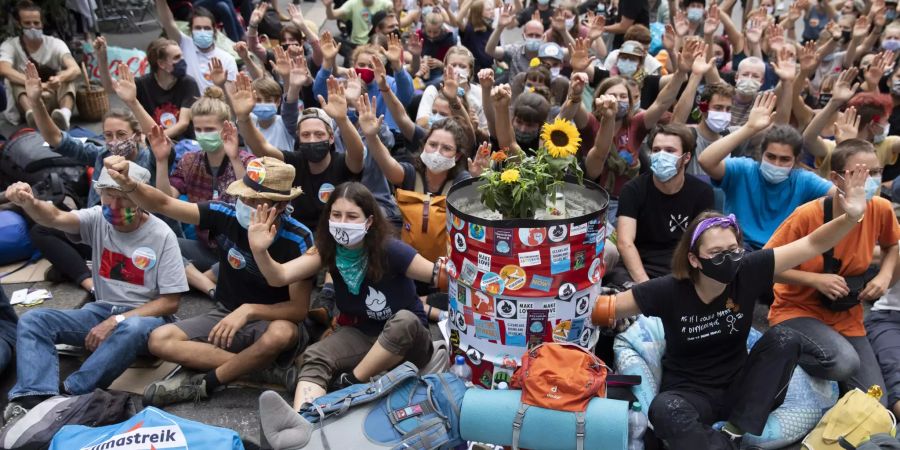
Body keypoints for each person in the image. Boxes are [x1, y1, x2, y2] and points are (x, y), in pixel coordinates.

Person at [591, 164, 871, 449]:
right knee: (663, 409)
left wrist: (851, 216)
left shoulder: (747, 270)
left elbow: (811, 243)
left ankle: (734, 432)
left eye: (733, 251)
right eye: (715, 253)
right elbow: (606, 309)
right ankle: (725, 443)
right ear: (694, 259)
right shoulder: (666, 290)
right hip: (690, 393)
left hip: (744, 389)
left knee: (785, 338)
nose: (728, 259)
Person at [102, 155, 314, 407]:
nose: (245, 204)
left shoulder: (298, 238)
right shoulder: (224, 214)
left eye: (256, 201)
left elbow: (298, 310)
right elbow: (164, 203)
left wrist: (249, 311)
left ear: (279, 206)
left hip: (270, 322)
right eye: (243, 197)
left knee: (281, 333)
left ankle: (205, 383)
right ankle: (260, 370)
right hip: (224, 314)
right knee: (159, 339)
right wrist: (129, 184)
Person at [3, 163, 187, 423]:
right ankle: (34, 397)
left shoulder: (161, 235)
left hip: (145, 321)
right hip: (101, 311)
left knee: (132, 328)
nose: (113, 205)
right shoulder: (97, 218)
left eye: (123, 197)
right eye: (107, 196)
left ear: (139, 197)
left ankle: (69, 396)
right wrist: (29, 202)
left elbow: (170, 302)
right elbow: (54, 218)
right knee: (34, 320)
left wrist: (117, 321)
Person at [246, 182, 435, 410]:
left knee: (403, 320)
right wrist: (259, 251)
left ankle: (349, 384)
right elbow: (279, 276)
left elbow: (439, 276)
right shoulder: (329, 250)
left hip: (409, 343)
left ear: (369, 221)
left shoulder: (391, 250)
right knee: (315, 356)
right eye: (336, 215)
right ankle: (306, 425)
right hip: (363, 335)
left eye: (352, 216)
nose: (343, 223)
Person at [767, 139, 900, 407]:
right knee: (843, 362)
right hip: (797, 310)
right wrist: (815, 279)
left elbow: (893, 244)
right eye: (858, 173)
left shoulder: (881, 208)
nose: (868, 180)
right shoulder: (807, 215)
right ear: (836, 178)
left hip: (846, 316)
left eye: (874, 172)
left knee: (876, 403)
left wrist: (884, 276)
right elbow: (763, 266)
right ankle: (787, 358)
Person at [22, 61, 155, 294]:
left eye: (121, 134)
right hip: (97, 231)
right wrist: (36, 102)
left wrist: (132, 102)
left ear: (136, 134)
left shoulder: (149, 158)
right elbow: (56, 139)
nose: (114, 141)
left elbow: (159, 140)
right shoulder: (101, 153)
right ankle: (89, 281)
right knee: (41, 229)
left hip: (133, 237)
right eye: (108, 135)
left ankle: (74, 268)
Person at [698, 92, 835, 250]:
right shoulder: (744, 169)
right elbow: (705, 160)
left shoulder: (803, 179)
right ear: (761, 154)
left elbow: (841, 198)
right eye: (771, 156)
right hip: (739, 248)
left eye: (784, 159)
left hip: (782, 253)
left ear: (796, 161)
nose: (776, 163)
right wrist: (749, 128)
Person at [234, 73, 365, 232]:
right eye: (305, 135)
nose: (311, 139)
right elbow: (262, 148)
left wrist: (342, 119)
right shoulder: (294, 162)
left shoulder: (343, 162)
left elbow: (357, 154)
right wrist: (243, 117)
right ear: (299, 139)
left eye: (319, 134)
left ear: (331, 138)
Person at [607, 123, 714, 287]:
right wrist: (647, 287)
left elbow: (704, 242)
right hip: (639, 266)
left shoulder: (702, 192)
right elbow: (624, 242)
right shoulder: (633, 189)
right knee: (617, 283)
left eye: (670, 151)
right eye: (656, 150)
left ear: (686, 157)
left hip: (681, 269)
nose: (661, 155)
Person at [95, 36, 199, 140]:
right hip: (152, 143)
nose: (183, 60)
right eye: (177, 57)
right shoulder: (143, 84)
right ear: (161, 64)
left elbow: (183, 124)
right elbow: (109, 88)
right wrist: (102, 58)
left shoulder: (188, 83)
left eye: (182, 56)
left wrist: (156, 139)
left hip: (183, 144)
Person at [0, 0, 81, 130]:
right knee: (14, 81)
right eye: (27, 23)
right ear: (19, 24)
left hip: (53, 95)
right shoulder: (10, 45)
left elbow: (75, 69)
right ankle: (32, 115)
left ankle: (64, 116)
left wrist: (59, 78)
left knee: (67, 77)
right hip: (28, 98)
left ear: (42, 23)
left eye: (36, 23)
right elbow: (4, 69)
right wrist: (36, 84)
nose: (33, 27)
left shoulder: (55, 43)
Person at [155, 0, 238, 94]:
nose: (202, 32)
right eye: (198, 28)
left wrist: (221, 85)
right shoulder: (184, 44)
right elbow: (168, 22)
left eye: (207, 28)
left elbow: (231, 98)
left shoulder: (228, 59)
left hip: (216, 107)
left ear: (215, 30)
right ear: (191, 30)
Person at [485, 6, 546, 81]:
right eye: (530, 35)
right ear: (523, 36)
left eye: (537, 36)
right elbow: (490, 50)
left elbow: (564, 55)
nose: (533, 38)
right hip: (516, 91)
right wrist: (500, 28)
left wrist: (563, 31)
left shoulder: (548, 54)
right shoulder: (515, 50)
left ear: (543, 38)